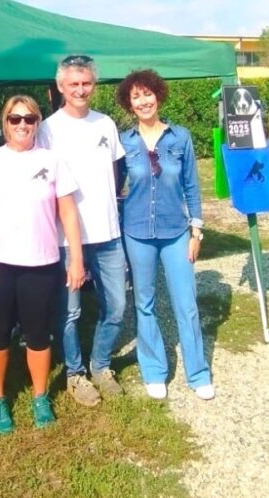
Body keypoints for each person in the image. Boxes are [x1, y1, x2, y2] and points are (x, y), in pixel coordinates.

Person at [0, 95, 85, 434]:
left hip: (41, 263)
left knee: (38, 334)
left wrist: (75, 258)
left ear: (37, 122)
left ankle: (39, 396)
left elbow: (68, 212)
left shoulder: (52, 160)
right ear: (5, 122)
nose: (22, 125)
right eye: (15, 119)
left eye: (29, 119)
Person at [116, 69, 215, 401]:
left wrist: (196, 231)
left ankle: (198, 372)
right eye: (136, 96)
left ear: (158, 96)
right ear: (129, 104)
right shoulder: (123, 141)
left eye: (148, 94)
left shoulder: (180, 137)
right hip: (137, 233)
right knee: (144, 302)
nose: (143, 101)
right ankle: (154, 370)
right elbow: (114, 188)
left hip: (175, 232)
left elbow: (192, 186)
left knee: (186, 303)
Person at [37, 55, 127, 407]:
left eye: (86, 83)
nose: (80, 90)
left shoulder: (106, 124)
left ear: (94, 84)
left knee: (117, 306)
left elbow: (115, 173)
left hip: (108, 233)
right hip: (65, 239)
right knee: (70, 312)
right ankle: (75, 374)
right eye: (73, 84)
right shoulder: (47, 129)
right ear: (60, 86)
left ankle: (101, 364)